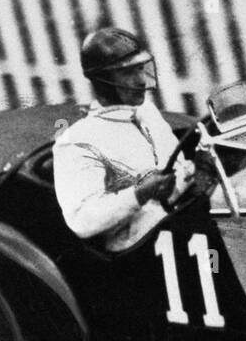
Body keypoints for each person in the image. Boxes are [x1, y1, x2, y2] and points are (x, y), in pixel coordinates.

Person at [54, 27, 210, 254]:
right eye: (127, 73)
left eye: (140, 68)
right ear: (103, 81)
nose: (140, 81)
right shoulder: (76, 141)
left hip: (183, 219)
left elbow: (178, 171)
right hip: (144, 248)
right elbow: (81, 220)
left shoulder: (145, 111)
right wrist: (140, 193)